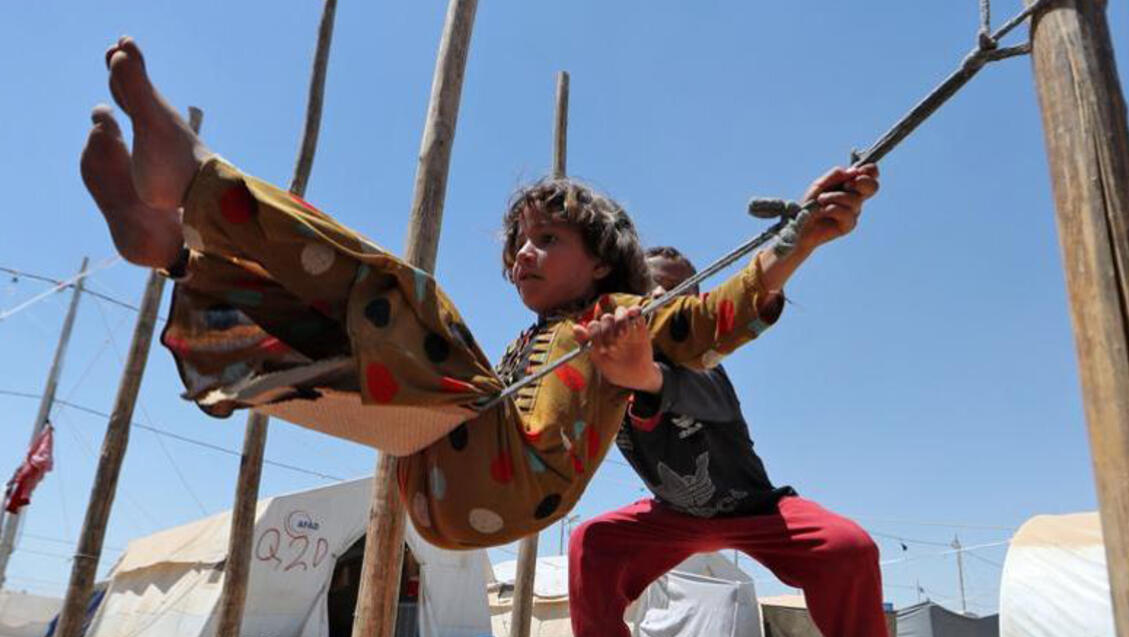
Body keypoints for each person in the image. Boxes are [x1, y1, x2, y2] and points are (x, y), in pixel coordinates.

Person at [82, 37, 879, 549]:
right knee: (348, 330)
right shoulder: (519, 348)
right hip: (434, 478)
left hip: (508, 481)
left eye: (549, 239)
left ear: (602, 265)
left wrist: (800, 239)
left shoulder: (618, 318)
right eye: (519, 240)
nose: (525, 251)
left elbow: (712, 320)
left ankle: (195, 180)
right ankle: (176, 253)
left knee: (399, 294)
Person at [567, 247, 894, 637]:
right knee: (592, 542)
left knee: (849, 547)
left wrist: (644, 377)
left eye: (675, 289)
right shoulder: (601, 382)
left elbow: (693, 379)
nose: (659, 296)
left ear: (694, 307)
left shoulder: (705, 367)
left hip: (755, 508)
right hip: (674, 515)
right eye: (647, 288)